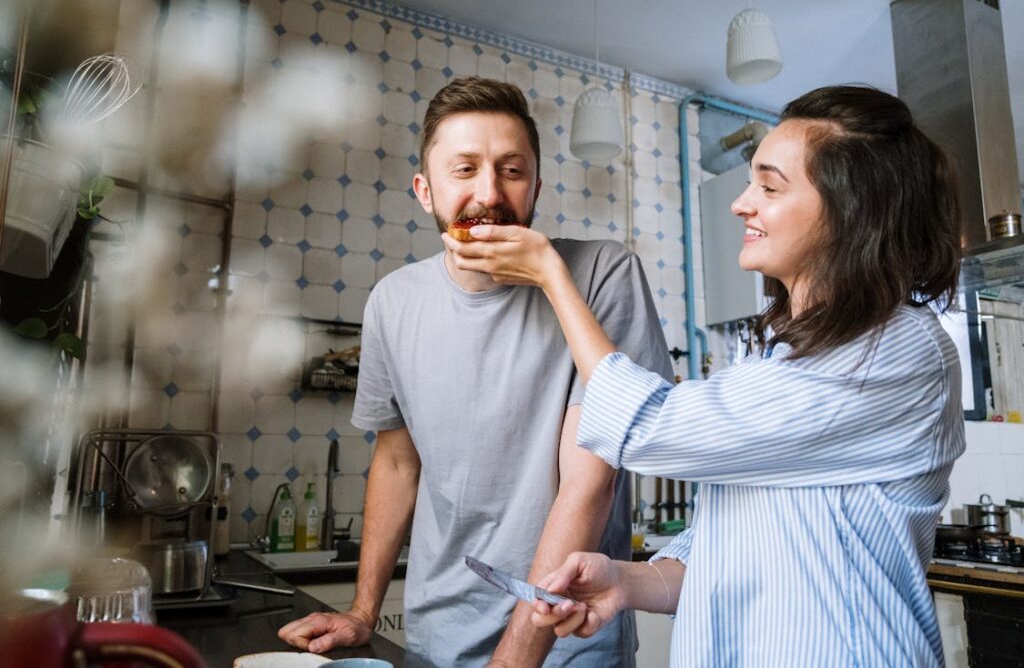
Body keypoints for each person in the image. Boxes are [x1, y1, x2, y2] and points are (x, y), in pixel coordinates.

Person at [445, 85, 966, 667]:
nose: (742, 203)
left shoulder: (897, 350)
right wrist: (622, 580)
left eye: (769, 186)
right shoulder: (774, 354)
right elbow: (724, 551)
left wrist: (553, 277)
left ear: (853, 211)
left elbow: (650, 429)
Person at [278, 76, 673, 667]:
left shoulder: (602, 275)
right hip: (437, 638)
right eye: (464, 170)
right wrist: (364, 610)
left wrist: (515, 657)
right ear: (425, 190)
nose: (489, 192)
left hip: (570, 643)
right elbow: (395, 460)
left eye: (511, 170)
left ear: (536, 184)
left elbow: (589, 485)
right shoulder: (391, 301)